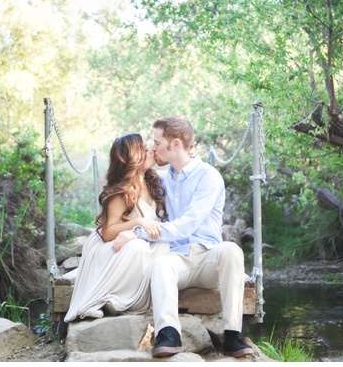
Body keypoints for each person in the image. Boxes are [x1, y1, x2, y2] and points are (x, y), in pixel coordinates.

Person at [113, 116, 255, 358]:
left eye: (157, 142)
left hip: (208, 257)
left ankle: (232, 335)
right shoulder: (162, 180)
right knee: (160, 265)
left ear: (175, 144)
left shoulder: (208, 177)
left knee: (231, 250)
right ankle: (169, 333)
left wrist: (136, 232)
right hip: (177, 259)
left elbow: (186, 226)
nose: (153, 147)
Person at [63, 134, 170, 322]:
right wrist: (138, 223)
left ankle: (121, 301)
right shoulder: (122, 191)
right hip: (112, 247)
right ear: (134, 158)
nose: (151, 150)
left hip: (137, 245)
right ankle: (98, 300)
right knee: (138, 247)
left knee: (162, 247)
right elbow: (107, 233)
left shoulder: (154, 181)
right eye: (145, 149)